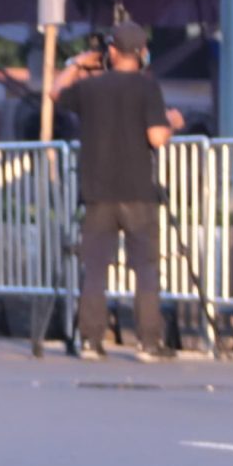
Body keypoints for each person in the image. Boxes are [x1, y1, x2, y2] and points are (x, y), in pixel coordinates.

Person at [50, 22, 182, 359]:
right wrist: (172, 123)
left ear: (111, 51)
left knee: (94, 267)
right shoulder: (147, 87)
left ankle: (90, 340)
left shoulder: (90, 88)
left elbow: (55, 93)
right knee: (146, 268)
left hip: (97, 191)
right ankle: (148, 342)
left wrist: (76, 64)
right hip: (137, 190)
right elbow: (157, 137)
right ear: (142, 53)